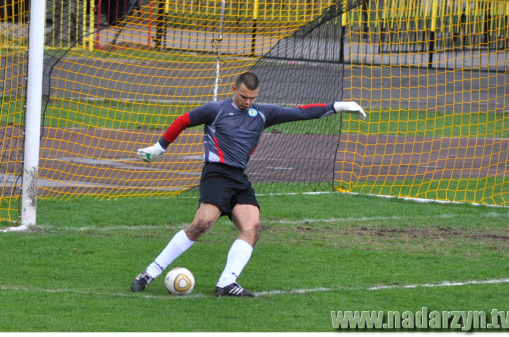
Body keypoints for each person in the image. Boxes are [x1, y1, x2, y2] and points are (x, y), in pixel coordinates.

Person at [131, 72, 366, 297]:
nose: (247, 101)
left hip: (239, 179)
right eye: (244, 96)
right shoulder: (216, 110)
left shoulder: (263, 113)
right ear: (234, 89)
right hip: (216, 174)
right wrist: (159, 148)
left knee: (252, 228)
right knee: (201, 224)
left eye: (253, 98)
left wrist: (339, 106)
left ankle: (226, 283)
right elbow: (183, 121)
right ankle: (149, 273)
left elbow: (300, 112)